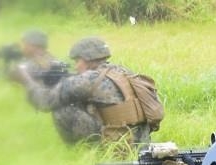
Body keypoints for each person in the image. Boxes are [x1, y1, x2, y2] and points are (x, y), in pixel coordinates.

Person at [10, 36, 152, 145]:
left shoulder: (87, 80)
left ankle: (82, 151)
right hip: (141, 142)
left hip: (117, 147)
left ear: (87, 59)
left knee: (62, 109)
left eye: (77, 61)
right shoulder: (124, 71)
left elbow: (45, 101)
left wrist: (25, 79)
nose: (76, 66)